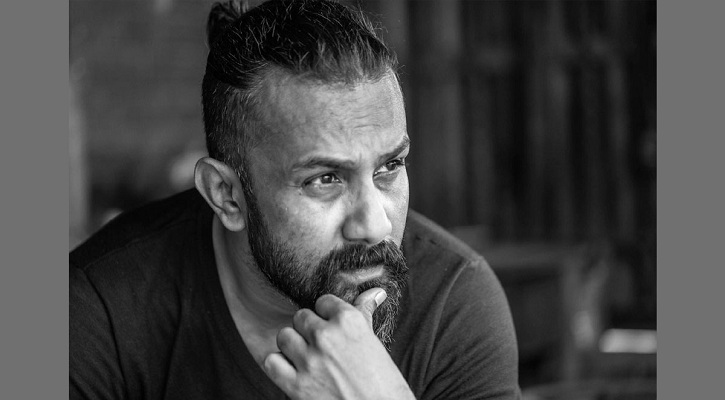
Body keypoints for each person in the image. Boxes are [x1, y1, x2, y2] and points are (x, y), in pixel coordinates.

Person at [69, 0, 521, 399]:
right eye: (325, 179)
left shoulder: (453, 303)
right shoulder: (99, 310)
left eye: (389, 167)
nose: (375, 225)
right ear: (227, 196)